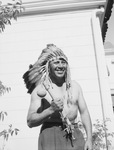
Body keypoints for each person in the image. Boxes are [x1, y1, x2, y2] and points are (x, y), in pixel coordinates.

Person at [23, 44, 92, 150]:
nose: (60, 65)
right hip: (51, 136)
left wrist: (89, 139)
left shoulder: (75, 86)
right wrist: (50, 110)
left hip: (74, 134)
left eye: (63, 62)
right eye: (56, 62)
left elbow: (84, 113)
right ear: (48, 66)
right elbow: (30, 121)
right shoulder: (41, 90)